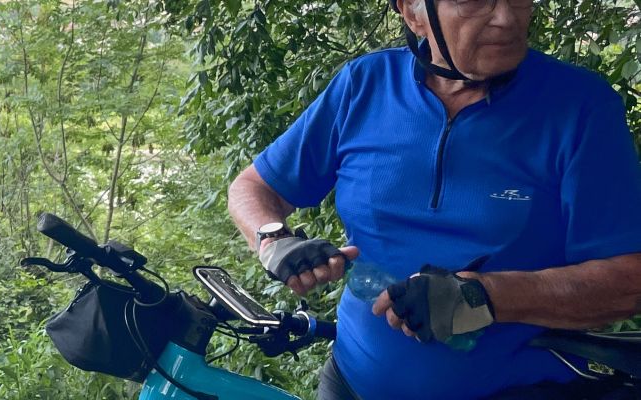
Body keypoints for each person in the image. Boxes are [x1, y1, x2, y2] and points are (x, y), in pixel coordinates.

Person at [226, 0, 641, 398]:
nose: (506, 17)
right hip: (350, 383)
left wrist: (486, 296)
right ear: (412, 11)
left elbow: (627, 281)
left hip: (519, 389)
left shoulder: (581, 107)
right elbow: (254, 188)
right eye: (474, 0)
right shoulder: (365, 86)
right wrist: (272, 237)